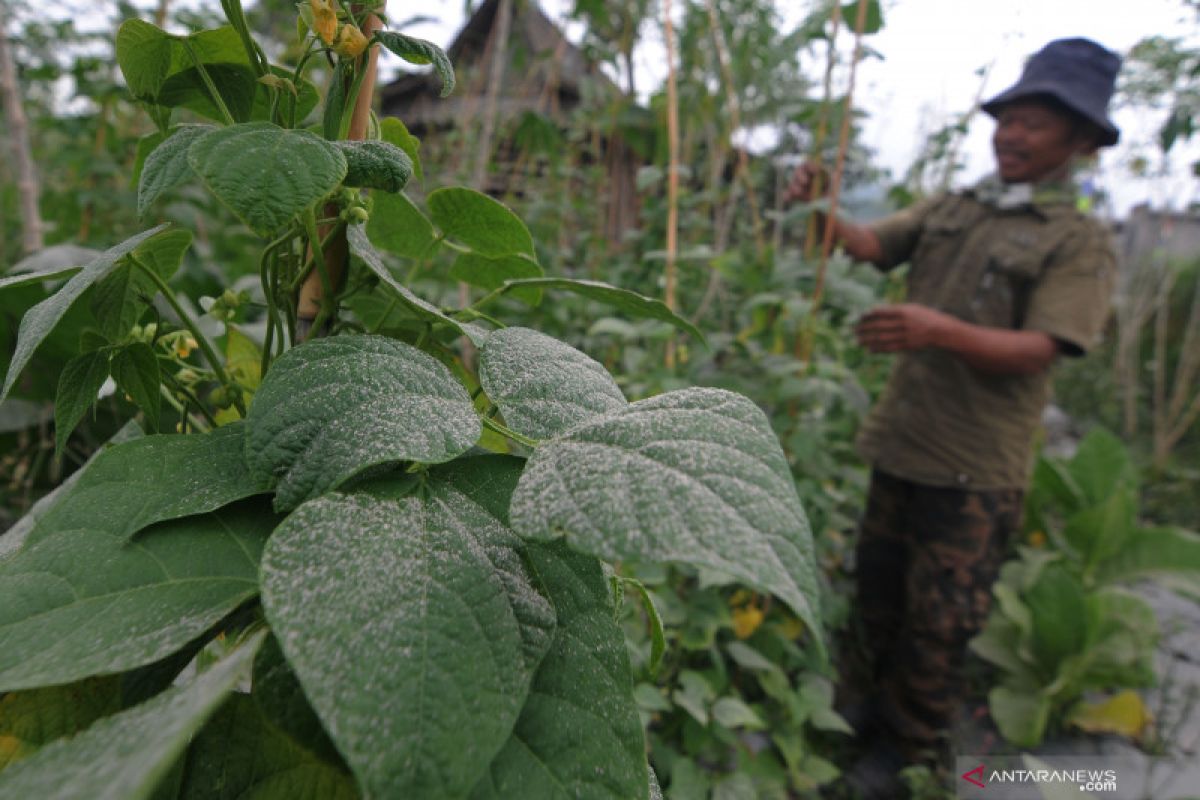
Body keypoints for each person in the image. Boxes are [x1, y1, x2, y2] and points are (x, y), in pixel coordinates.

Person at [785, 38, 1122, 797]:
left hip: (976, 467)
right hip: (903, 442)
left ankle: (915, 759)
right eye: (1008, 118)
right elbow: (870, 246)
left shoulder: (1080, 239)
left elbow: (1045, 345)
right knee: (879, 593)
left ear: (1081, 142)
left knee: (939, 622)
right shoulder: (956, 206)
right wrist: (819, 206)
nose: (1011, 132)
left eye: (1035, 122)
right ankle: (867, 722)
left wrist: (936, 330)